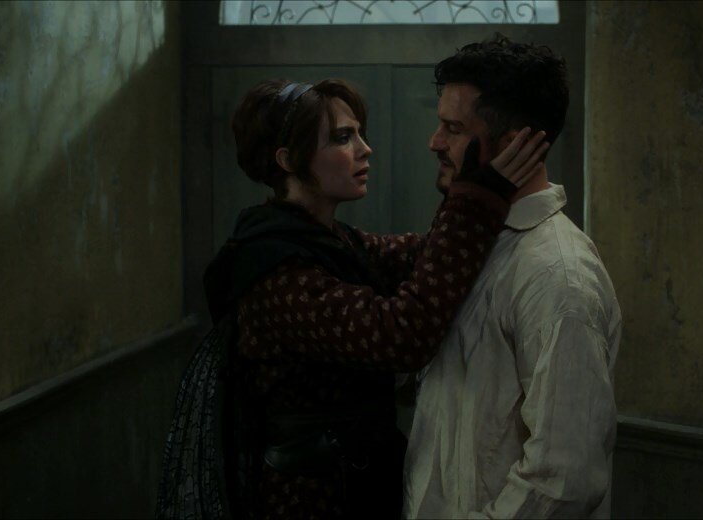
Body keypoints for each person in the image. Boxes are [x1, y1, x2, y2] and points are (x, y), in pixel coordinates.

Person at [155, 77, 549, 519]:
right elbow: (400, 336)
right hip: (311, 497)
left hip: (356, 479)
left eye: (360, 133)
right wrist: (475, 202)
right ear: (289, 159)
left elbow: (421, 257)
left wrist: (473, 194)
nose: (365, 149)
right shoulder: (274, 269)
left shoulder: (331, 240)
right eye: (343, 138)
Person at [403, 34, 623, 518]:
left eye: (453, 129)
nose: (434, 142)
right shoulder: (473, 247)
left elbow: (563, 479)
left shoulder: (557, 275)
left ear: (514, 143)